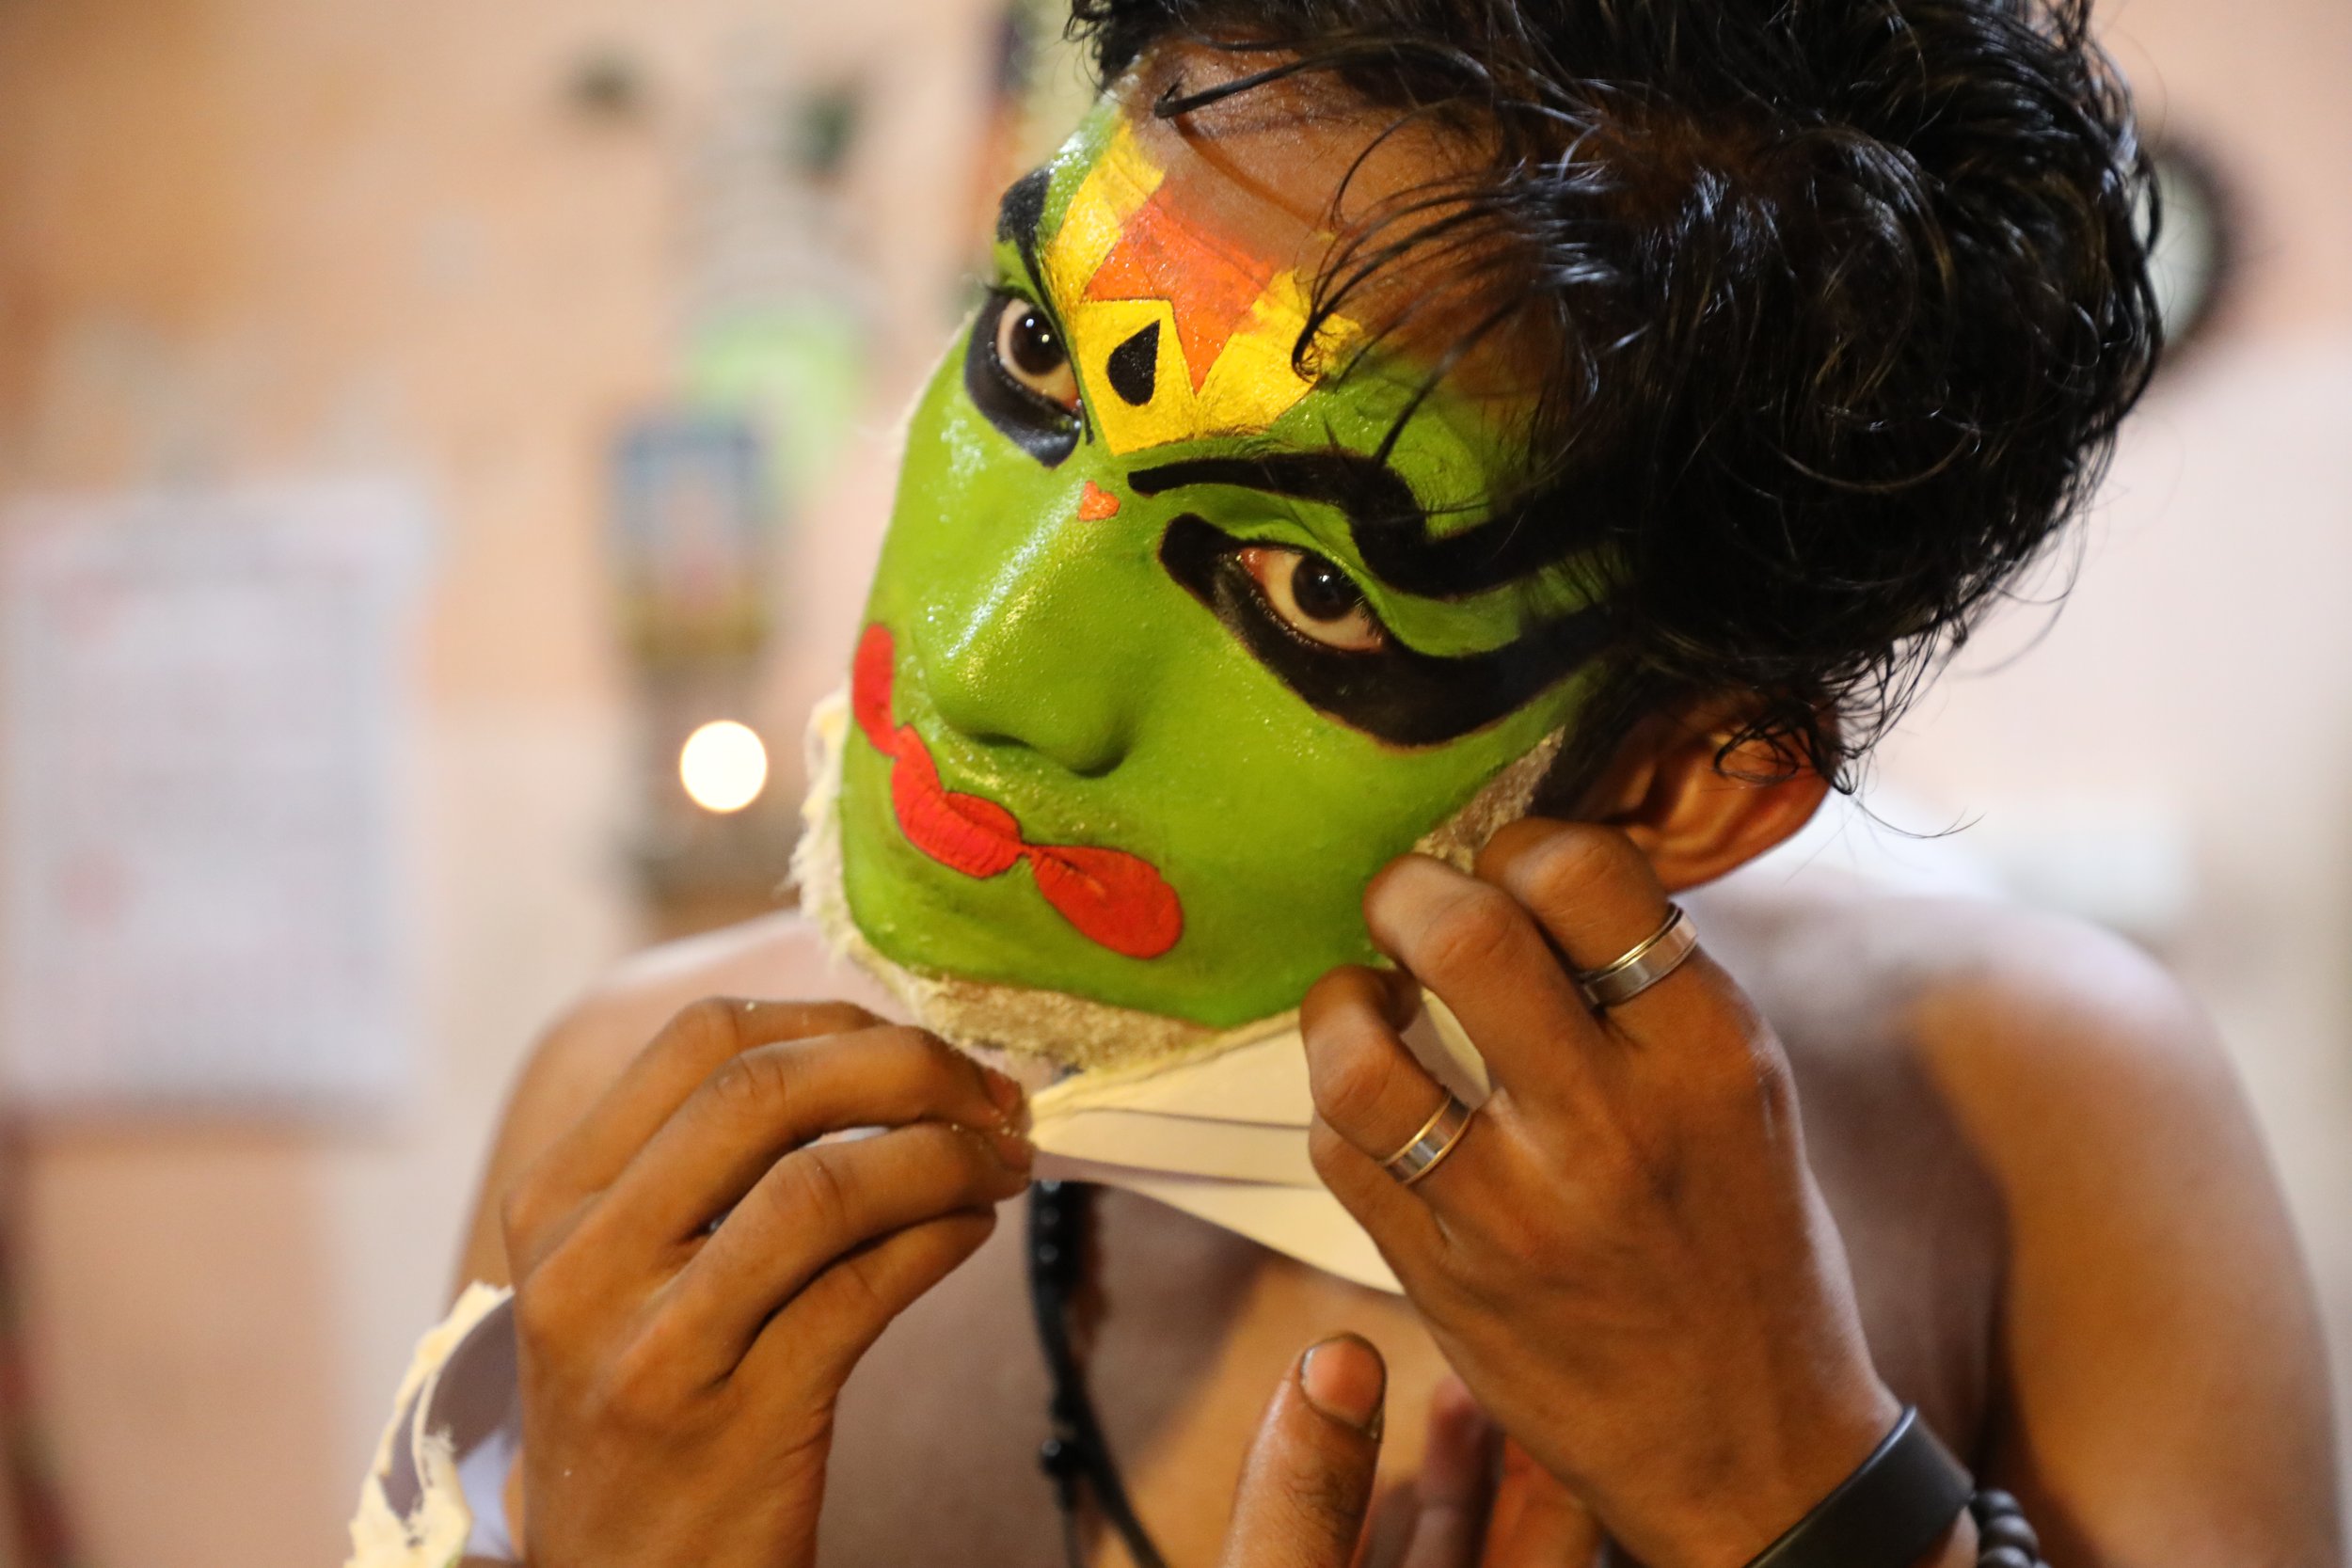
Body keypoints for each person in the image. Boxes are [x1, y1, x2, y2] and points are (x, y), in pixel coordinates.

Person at [421, 0, 2344, 1563]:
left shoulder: (2020, 1120)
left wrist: (1799, 1497)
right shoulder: (624, 1140)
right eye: (1035, 355)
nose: (989, 678)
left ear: (1684, 781)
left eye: (1307, 583)